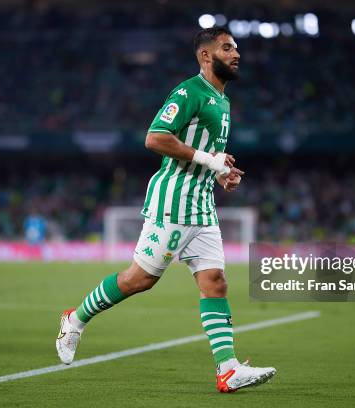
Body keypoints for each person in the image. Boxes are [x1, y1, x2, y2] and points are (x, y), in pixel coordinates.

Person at [56, 27, 276, 393]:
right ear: (206, 56)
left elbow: (205, 156)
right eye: (227, 48)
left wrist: (221, 173)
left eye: (236, 48)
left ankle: (228, 370)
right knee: (139, 279)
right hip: (173, 203)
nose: (236, 54)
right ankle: (75, 319)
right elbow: (154, 137)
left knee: (215, 283)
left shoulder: (223, 101)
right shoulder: (189, 92)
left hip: (202, 205)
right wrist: (210, 160)